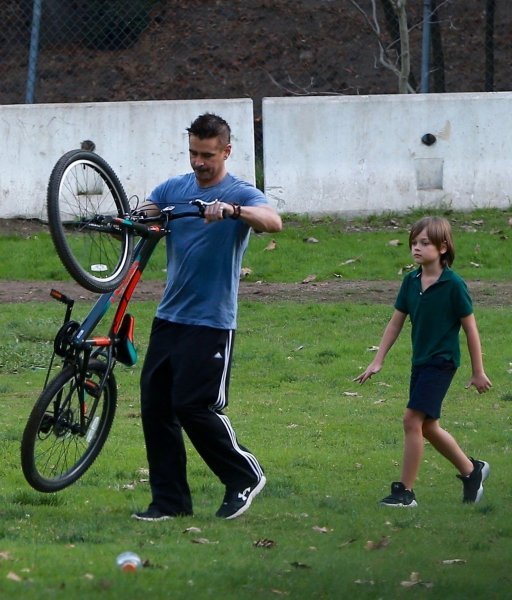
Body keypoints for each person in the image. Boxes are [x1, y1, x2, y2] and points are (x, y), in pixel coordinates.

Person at [132, 113, 282, 521]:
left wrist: (233, 211)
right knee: (156, 407)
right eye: (194, 154)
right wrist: (133, 219)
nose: (199, 163)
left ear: (227, 151)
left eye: (208, 155)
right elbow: (146, 212)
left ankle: (244, 475)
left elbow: (273, 222)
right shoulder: (174, 189)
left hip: (212, 321)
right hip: (169, 317)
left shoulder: (240, 192)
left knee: (193, 405)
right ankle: (170, 503)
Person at [354, 216, 492, 507]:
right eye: (414, 243)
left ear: (443, 247)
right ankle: (471, 470)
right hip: (421, 362)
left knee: (411, 420)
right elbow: (395, 324)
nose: (416, 248)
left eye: (424, 243)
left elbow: (470, 329)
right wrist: (377, 360)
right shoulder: (411, 281)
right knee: (428, 427)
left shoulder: (454, 285)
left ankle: (405, 492)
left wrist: (478, 371)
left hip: (442, 363)